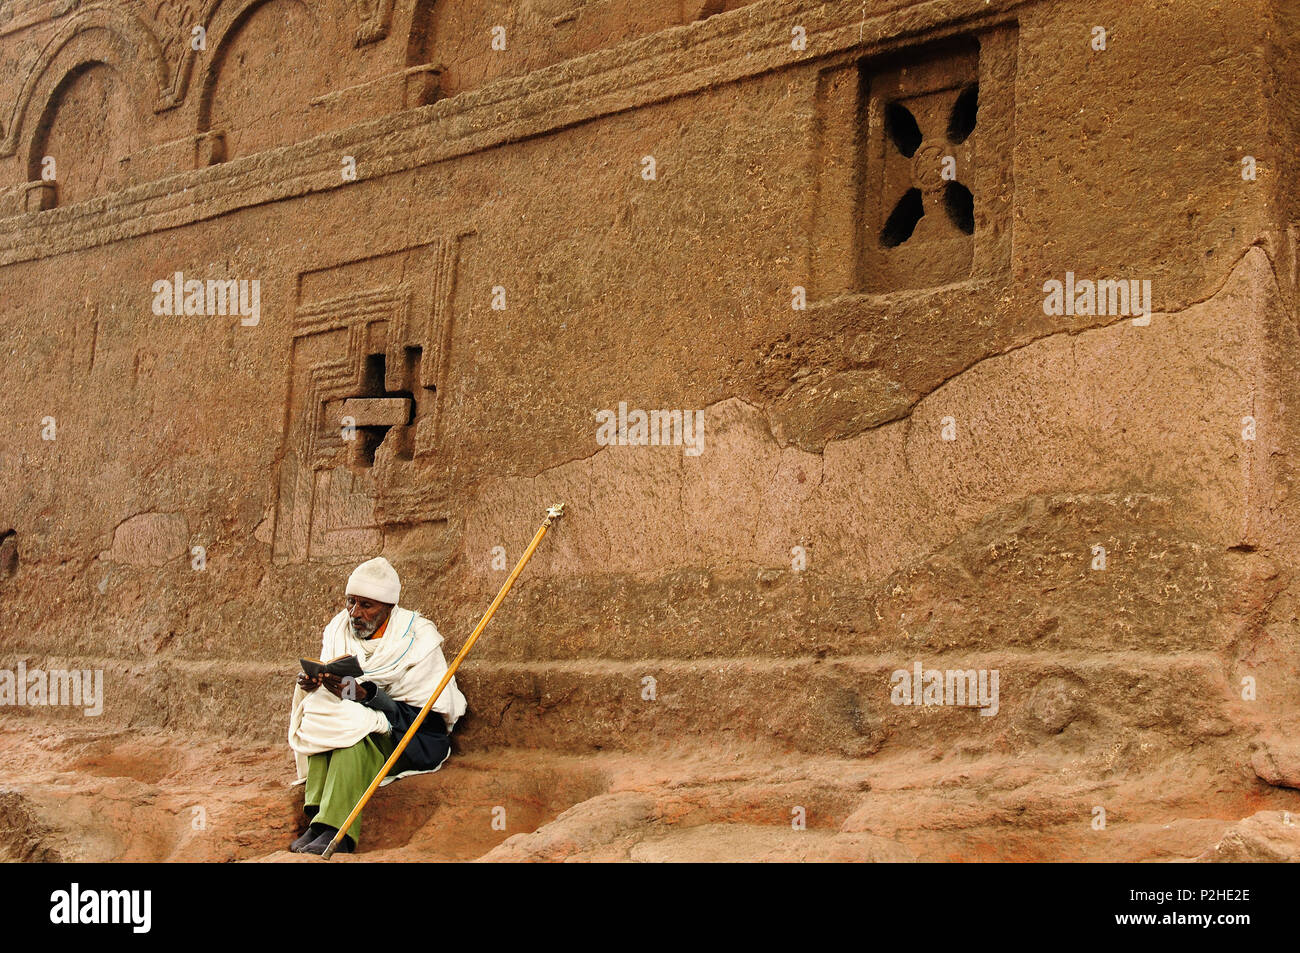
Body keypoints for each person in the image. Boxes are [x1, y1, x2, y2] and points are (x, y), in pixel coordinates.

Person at [287, 556, 467, 855]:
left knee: (352, 739)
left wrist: (369, 697)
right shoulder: (338, 629)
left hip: (408, 738)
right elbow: (336, 689)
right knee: (323, 712)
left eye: (366, 605)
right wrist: (317, 683)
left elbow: (429, 720)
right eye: (350, 602)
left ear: (388, 608)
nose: (354, 613)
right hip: (357, 719)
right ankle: (318, 822)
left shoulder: (416, 639)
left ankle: (338, 832)